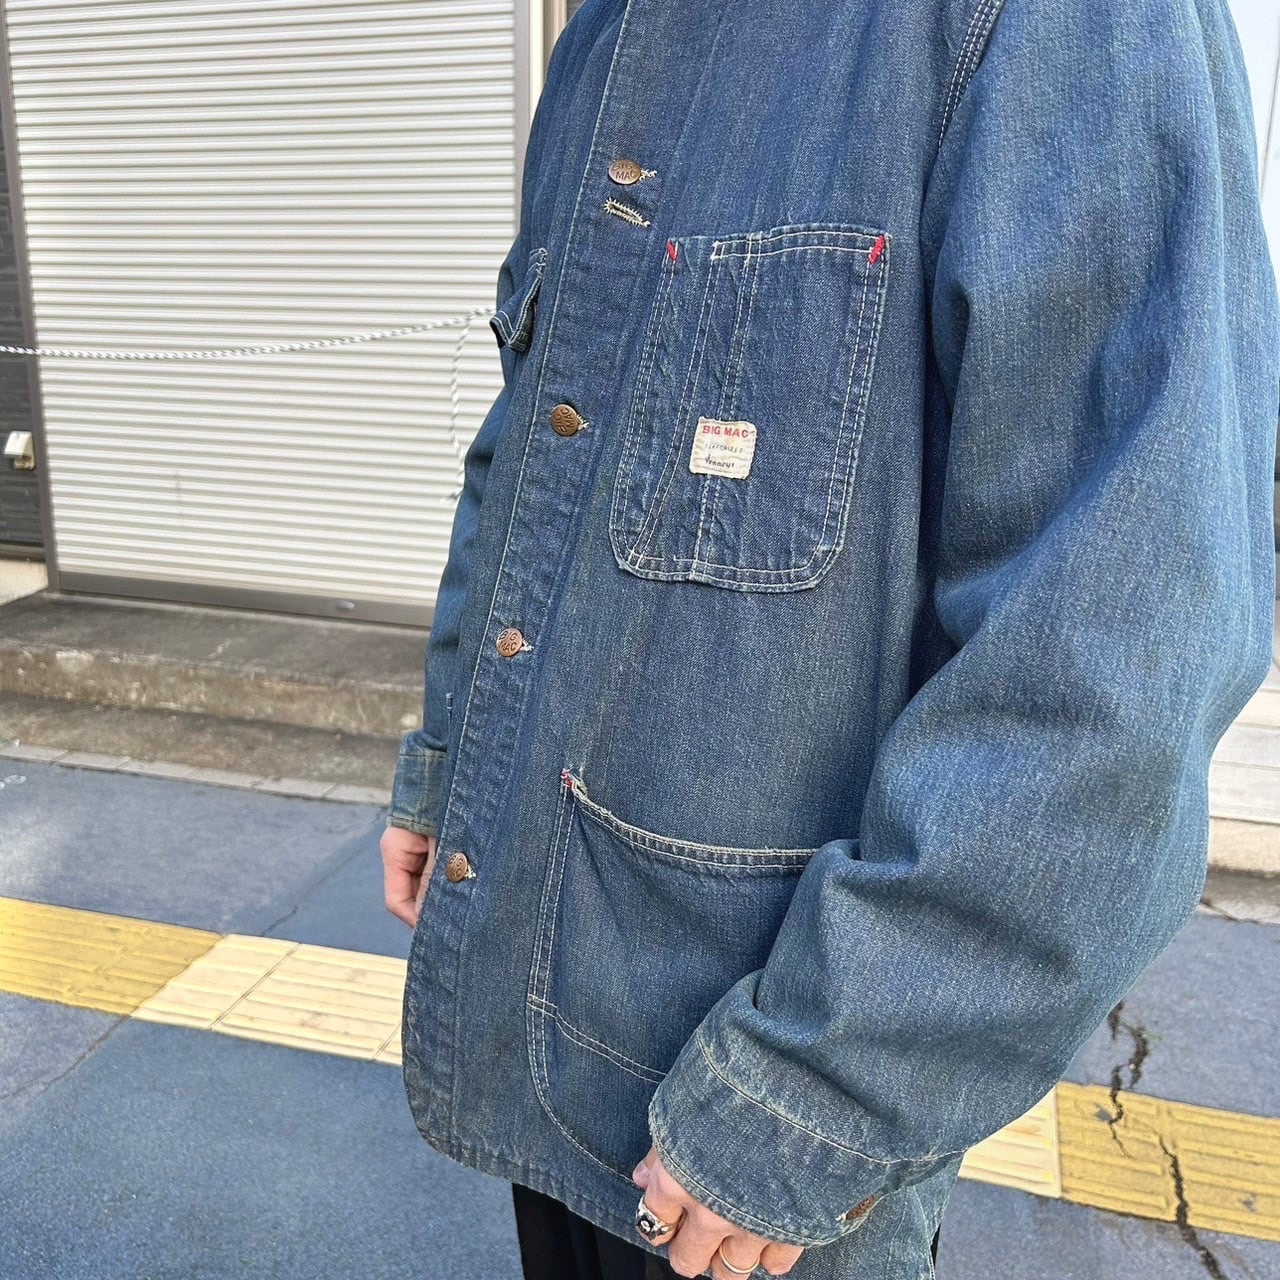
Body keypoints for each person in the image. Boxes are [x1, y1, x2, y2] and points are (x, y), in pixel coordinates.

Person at [380, 0, 1280, 1276]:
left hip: (755, 1100)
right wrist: (444, 757)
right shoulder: (604, 36)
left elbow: (1119, 640)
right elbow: (531, 441)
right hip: (543, 1013)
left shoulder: (1044, 24)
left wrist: (819, 1093)